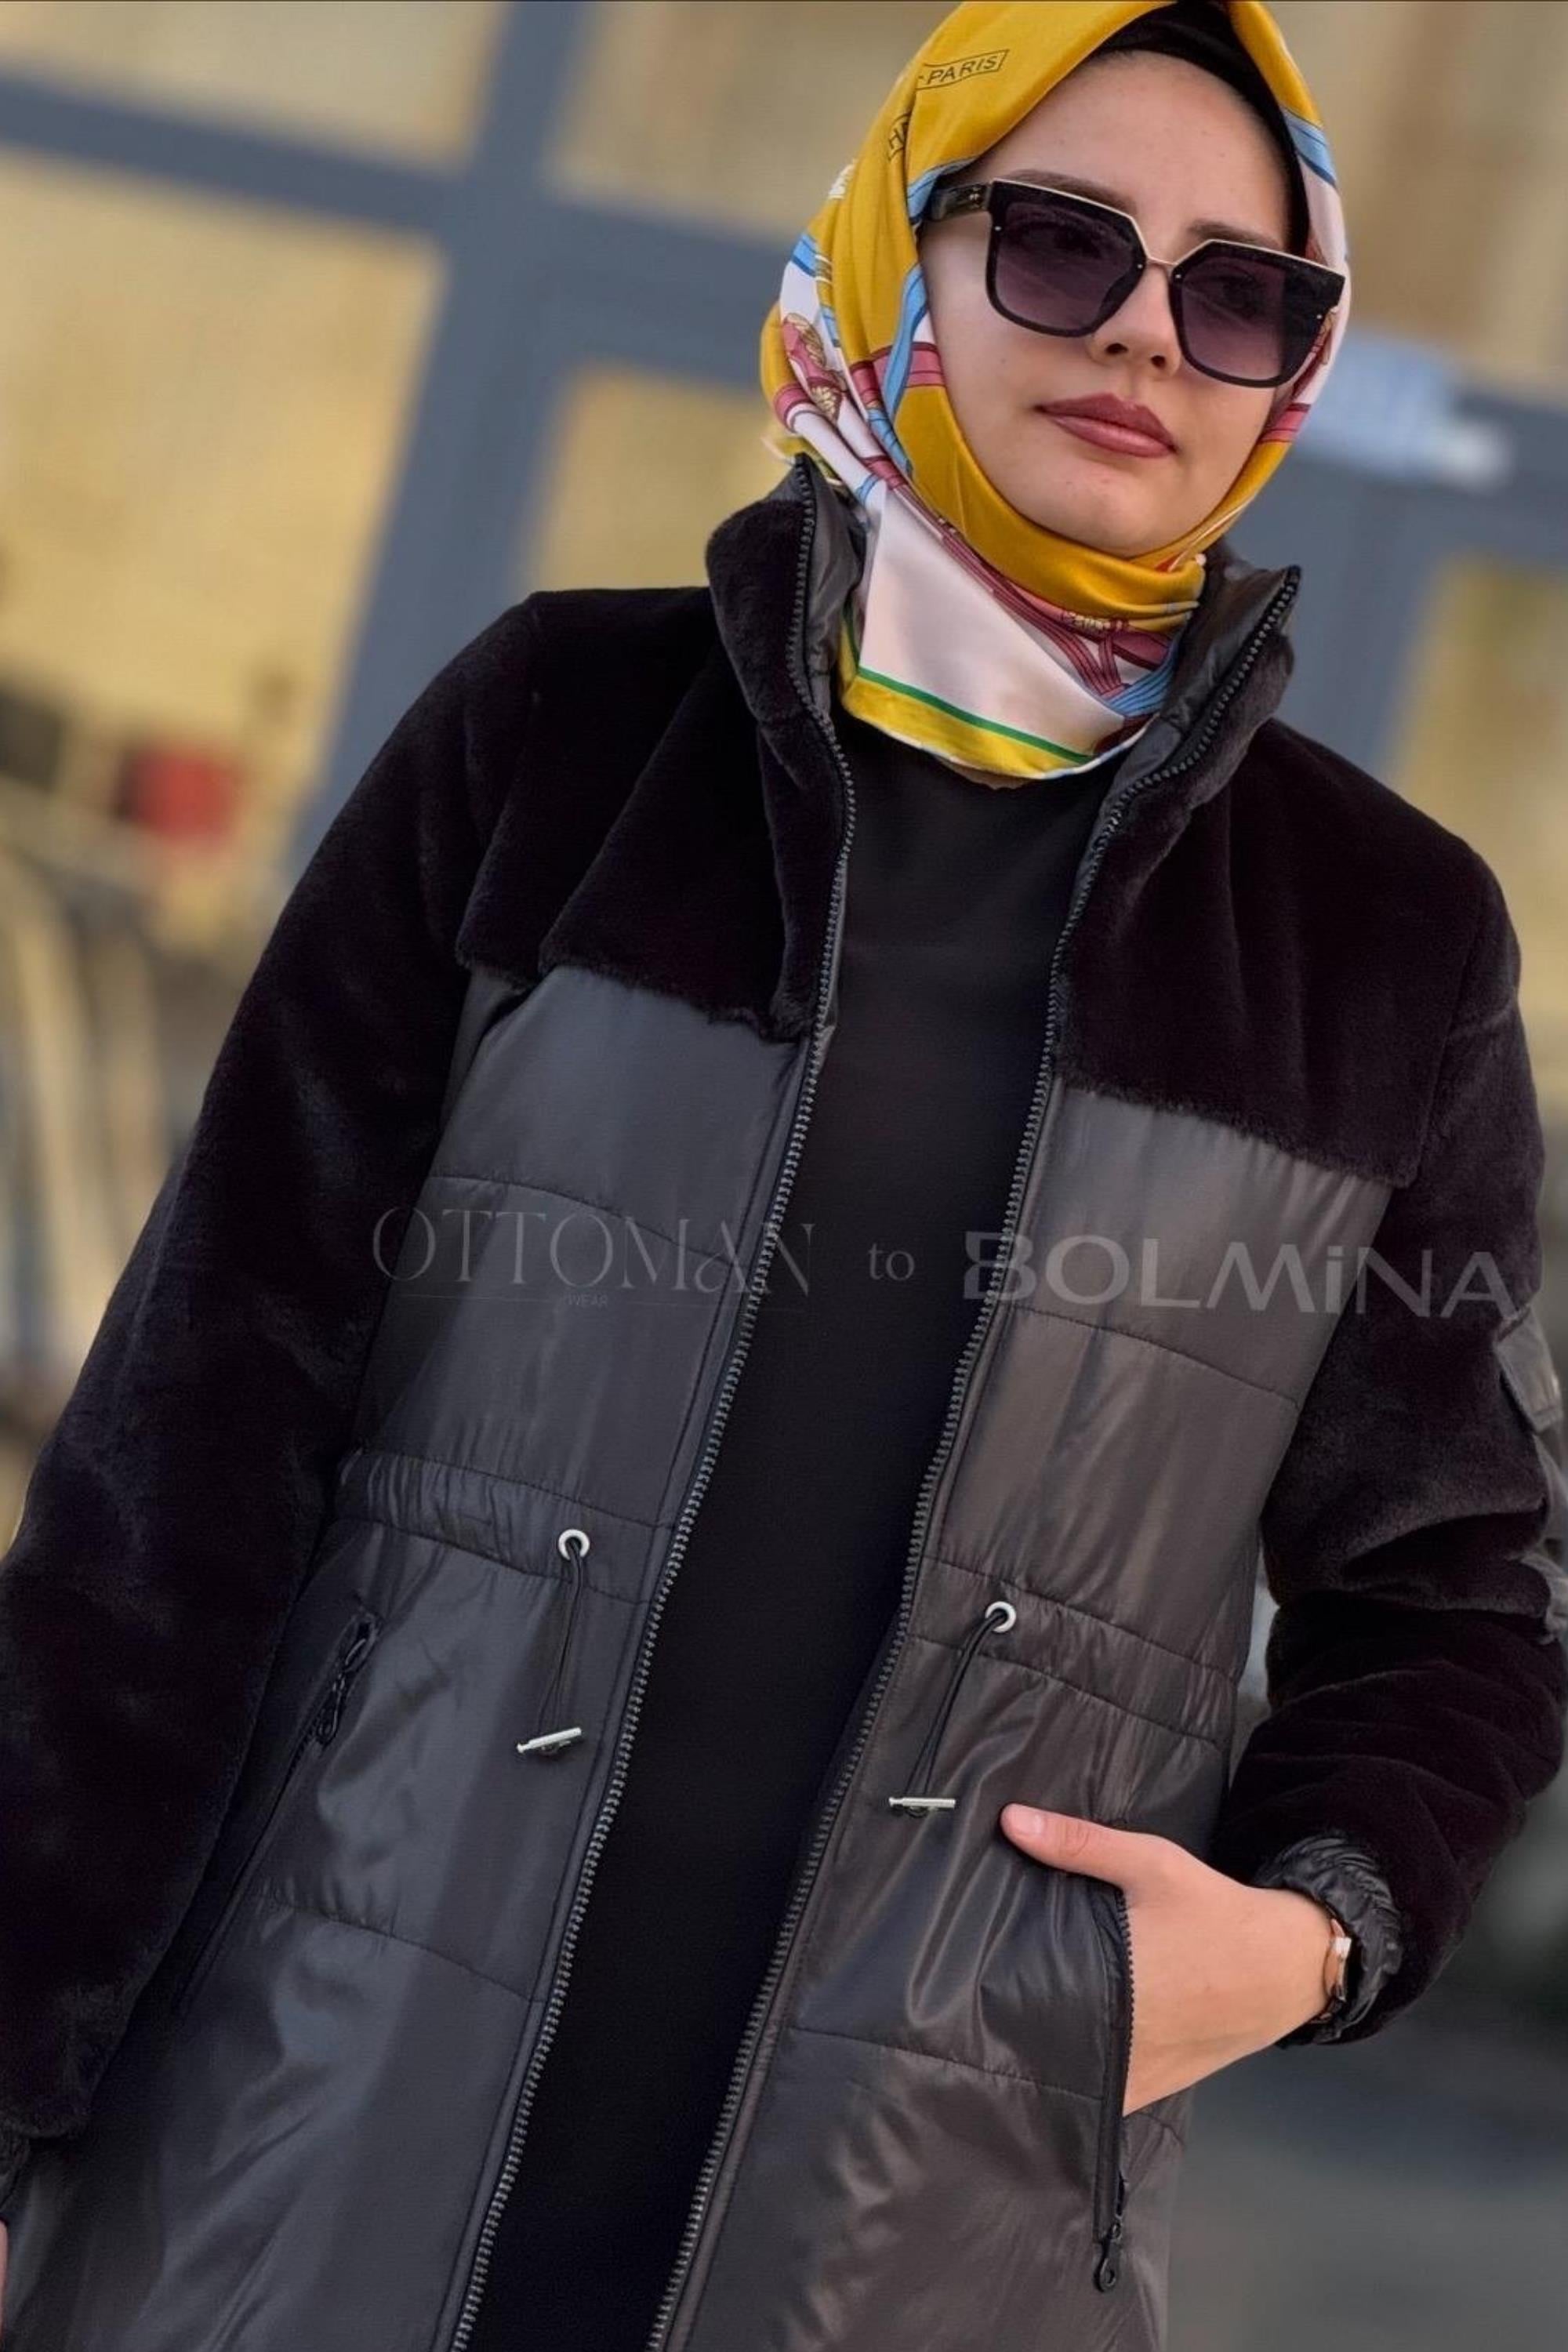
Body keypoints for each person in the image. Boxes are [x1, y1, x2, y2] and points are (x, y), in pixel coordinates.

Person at [1, 5, 1564, 2350]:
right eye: (1062, 242)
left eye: (1243, 292)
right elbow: (182, 1466)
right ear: (896, 254)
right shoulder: (556, 739)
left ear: (1291, 371)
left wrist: (1308, 1933)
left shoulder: (1382, 941)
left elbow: (1459, 1595)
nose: (1149, 329)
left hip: (922, 2225)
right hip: (300, 2132)